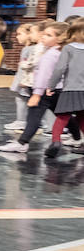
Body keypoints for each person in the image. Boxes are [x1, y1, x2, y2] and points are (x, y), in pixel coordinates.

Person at [0, 20, 65, 154]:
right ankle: (76, 138)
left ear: (60, 38)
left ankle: (23, 142)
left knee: (34, 116)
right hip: (56, 89)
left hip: (45, 90)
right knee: (63, 114)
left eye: (48, 35)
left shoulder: (50, 55)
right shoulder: (58, 52)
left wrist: (36, 93)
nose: (43, 37)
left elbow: (44, 75)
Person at [43, 20, 84, 159]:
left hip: (71, 89)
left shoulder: (68, 48)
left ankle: (55, 142)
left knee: (62, 117)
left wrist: (51, 86)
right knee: (82, 118)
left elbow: (60, 68)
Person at [6, 22, 41, 133]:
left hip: (25, 79)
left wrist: (23, 81)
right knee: (21, 99)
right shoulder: (26, 49)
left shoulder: (30, 49)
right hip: (22, 78)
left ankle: (22, 121)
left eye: (20, 34)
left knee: (23, 99)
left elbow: (28, 66)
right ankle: (22, 120)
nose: (17, 37)